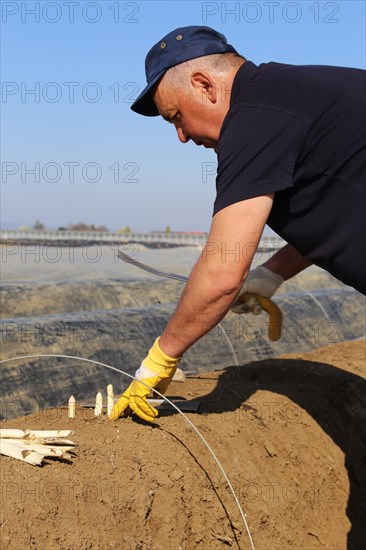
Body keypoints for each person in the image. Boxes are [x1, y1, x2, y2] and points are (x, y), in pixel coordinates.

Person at [110, 25, 366, 422]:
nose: (181, 136)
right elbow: (341, 208)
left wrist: (161, 358)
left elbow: (222, 273)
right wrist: (273, 273)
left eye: (176, 117)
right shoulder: (292, 95)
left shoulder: (255, 119)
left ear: (204, 85)